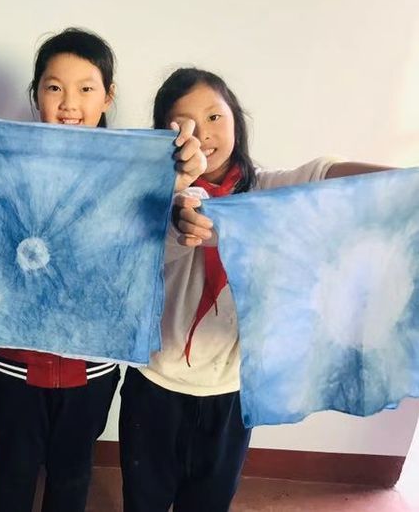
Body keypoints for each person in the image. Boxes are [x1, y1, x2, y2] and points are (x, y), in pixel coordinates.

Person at [0, 28, 206, 512]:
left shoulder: (133, 171)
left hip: (93, 366)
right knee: (13, 469)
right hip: (13, 361)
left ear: (108, 96)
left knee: (72, 473)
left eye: (86, 88)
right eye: (54, 87)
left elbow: (154, 248)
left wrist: (178, 184)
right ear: (36, 93)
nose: (69, 103)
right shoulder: (6, 160)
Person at [119, 66, 390, 512]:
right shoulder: (151, 198)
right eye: (183, 123)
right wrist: (176, 219)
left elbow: (323, 176)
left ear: (235, 119)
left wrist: (403, 184)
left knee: (209, 502)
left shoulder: (265, 190)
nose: (203, 133)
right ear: (165, 135)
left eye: (214, 117)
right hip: (155, 385)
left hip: (231, 390)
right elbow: (133, 259)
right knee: (144, 501)